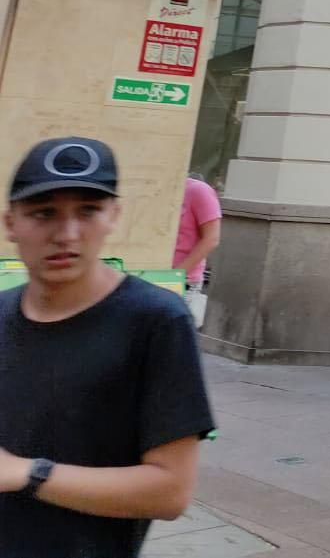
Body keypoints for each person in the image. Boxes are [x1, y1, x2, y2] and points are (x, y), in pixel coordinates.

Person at [0, 137, 215, 556]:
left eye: (88, 211)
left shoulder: (156, 321)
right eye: (44, 214)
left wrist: (28, 474)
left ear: (113, 216)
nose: (67, 234)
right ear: (11, 223)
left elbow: (170, 491)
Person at [173, 174, 222, 300]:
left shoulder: (198, 190)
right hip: (143, 276)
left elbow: (211, 239)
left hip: (182, 283)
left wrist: (175, 276)